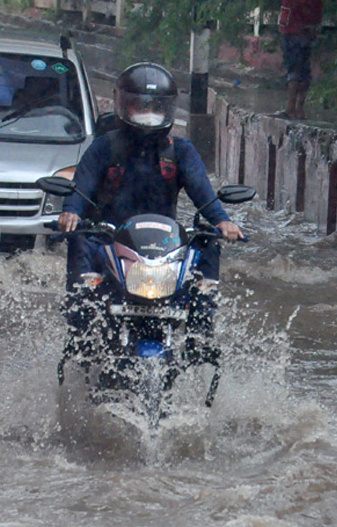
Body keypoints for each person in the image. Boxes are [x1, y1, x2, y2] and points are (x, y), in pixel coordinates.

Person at [56, 63, 245, 361]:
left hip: (162, 245)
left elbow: (203, 193)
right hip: (110, 241)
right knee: (80, 240)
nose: (148, 113)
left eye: (155, 106)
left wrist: (222, 221)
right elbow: (82, 186)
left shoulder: (181, 151)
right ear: (124, 106)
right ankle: (81, 330)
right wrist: (71, 213)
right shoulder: (104, 147)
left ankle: (201, 332)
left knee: (207, 241)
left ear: (168, 109)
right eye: (140, 105)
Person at [278, 0, 323, 119]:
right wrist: (314, 24)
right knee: (304, 69)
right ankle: (300, 108)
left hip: (292, 28)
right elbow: (317, 3)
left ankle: (290, 107)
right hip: (306, 29)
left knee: (294, 67)